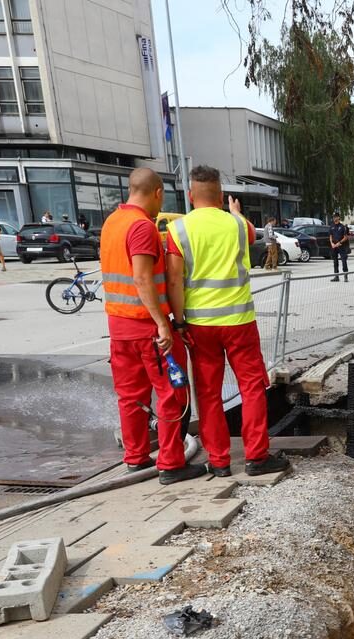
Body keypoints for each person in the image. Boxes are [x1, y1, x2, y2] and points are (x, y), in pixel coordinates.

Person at [164, 165, 290, 478]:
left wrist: (179, 322)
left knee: (208, 393)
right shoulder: (237, 225)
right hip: (239, 322)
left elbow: (175, 281)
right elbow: (249, 230)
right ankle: (257, 457)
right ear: (221, 196)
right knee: (251, 388)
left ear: (190, 196)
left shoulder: (179, 230)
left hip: (200, 325)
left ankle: (219, 461)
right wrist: (235, 211)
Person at [100, 167, 203, 484]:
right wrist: (162, 323)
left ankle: (135, 457)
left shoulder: (112, 222)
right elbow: (142, 278)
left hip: (119, 329)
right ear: (157, 193)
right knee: (172, 393)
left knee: (131, 397)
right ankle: (172, 463)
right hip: (148, 330)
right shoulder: (141, 227)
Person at [329, 214, 350, 281]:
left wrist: (339, 243)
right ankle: (336, 276)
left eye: (336, 217)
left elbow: (346, 237)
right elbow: (330, 236)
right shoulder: (331, 226)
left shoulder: (342, 227)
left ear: (338, 218)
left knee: (344, 261)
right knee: (335, 262)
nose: (334, 218)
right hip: (334, 246)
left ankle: (345, 276)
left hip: (341, 246)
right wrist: (331, 243)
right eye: (333, 217)